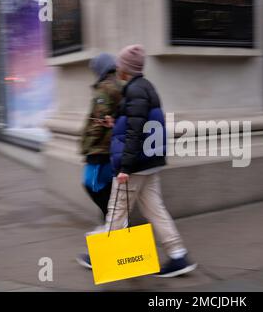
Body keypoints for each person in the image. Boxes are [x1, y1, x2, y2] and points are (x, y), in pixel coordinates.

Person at [106, 44, 196, 278]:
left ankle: (108, 258)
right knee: (155, 209)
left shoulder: (135, 91)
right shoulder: (145, 88)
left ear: (127, 68)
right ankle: (178, 254)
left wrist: (124, 168)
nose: (117, 69)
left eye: (120, 65)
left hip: (135, 165)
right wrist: (114, 123)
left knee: (117, 210)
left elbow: (135, 132)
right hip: (149, 162)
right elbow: (138, 124)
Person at [76, 53, 123, 269]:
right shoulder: (120, 85)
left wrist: (87, 146)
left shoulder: (104, 89)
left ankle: (111, 223)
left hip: (100, 149)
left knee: (91, 183)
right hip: (113, 148)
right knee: (107, 186)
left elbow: (98, 121)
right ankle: (111, 221)